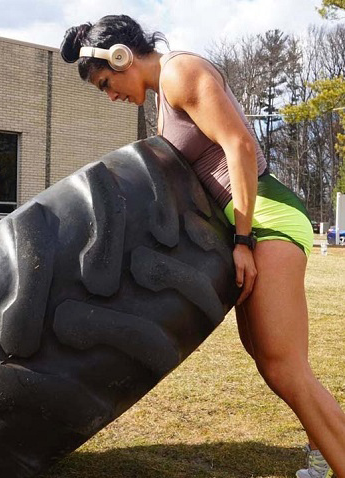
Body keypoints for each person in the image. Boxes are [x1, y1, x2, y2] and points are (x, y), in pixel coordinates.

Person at [61, 14, 344, 478]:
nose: (111, 95)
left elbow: (241, 147)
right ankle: (323, 449)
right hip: (250, 225)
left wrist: (243, 240)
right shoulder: (163, 96)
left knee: (283, 366)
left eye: (107, 83)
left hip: (267, 219)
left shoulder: (180, 73)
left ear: (121, 56)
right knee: (273, 362)